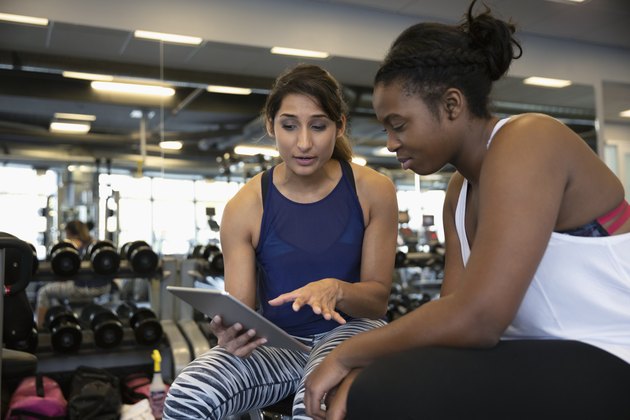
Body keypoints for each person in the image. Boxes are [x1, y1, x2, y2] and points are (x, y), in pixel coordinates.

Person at [304, 1, 630, 419]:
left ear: (453, 105)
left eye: (399, 125)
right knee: (381, 382)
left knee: (386, 389)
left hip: (613, 348)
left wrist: (348, 355)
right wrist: (367, 361)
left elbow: (480, 317)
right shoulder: (459, 193)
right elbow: (453, 318)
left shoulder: (529, 140)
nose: (389, 142)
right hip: (541, 352)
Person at [163, 64, 398, 419]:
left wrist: (338, 289)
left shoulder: (374, 190)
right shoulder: (245, 205)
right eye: (289, 126)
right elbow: (240, 308)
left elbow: (378, 301)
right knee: (188, 394)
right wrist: (229, 331)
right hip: (281, 344)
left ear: (340, 126)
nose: (304, 142)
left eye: (318, 126)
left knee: (312, 402)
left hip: (355, 330)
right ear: (271, 126)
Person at [35, 220, 110, 325]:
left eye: (66, 233)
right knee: (55, 290)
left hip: (83, 287)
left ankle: (40, 328)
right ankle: (61, 318)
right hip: (104, 286)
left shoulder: (73, 245)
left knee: (44, 292)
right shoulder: (94, 243)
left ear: (70, 232)